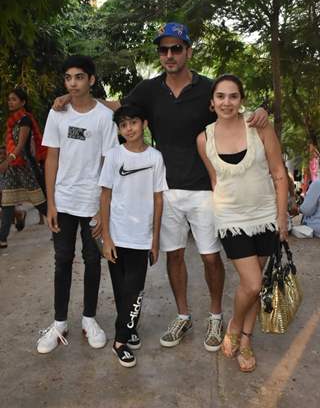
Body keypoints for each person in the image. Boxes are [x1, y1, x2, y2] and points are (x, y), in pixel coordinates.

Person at [54, 22, 268, 352]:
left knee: (211, 258)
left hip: (205, 190)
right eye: (163, 50)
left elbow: (234, 108)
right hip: (167, 189)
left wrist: (263, 112)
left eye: (176, 48)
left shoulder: (209, 89)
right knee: (175, 256)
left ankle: (214, 316)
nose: (169, 55)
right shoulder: (148, 90)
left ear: (188, 51)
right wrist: (70, 98)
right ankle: (183, 315)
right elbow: (116, 108)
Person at [197, 74, 288, 372]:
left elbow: (278, 172)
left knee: (256, 282)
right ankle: (235, 326)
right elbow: (215, 180)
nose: (227, 102)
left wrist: (282, 216)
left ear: (241, 100)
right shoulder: (204, 138)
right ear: (212, 103)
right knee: (252, 283)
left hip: (265, 216)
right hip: (231, 218)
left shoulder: (259, 127)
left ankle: (246, 339)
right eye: (221, 96)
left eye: (233, 96)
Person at [37, 55, 118, 354]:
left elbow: (108, 162)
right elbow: (52, 158)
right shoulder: (57, 113)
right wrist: (51, 203)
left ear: (91, 80)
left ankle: (89, 319)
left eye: (79, 77)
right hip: (65, 200)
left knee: (93, 260)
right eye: (68, 77)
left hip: (92, 202)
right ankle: (59, 323)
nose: (73, 83)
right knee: (62, 260)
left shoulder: (103, 117)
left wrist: (102, 207)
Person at [99, 104, 168, 367]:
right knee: (121, 291)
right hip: (117, 236)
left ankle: (119, 341)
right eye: (123, 125)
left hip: (141, 237)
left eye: (133, 123)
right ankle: (128, 329)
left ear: (144, 124)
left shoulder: (155, 158)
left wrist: (155, 238)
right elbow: (104, 196)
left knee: (135, 290)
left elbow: (158, 199)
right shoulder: (114, 156)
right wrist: (106, 237)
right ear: (119, 130)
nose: (129, 129)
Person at [0, 89, 47, 249]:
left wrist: (7, 161)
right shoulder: (11, 122)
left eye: (14, 99)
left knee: (40, 202)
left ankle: (59, 228)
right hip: (12, 168)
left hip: (25, 167)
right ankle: (2, 238)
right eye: (9, 99)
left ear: (23, 102)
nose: (10, 102)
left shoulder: (25, 120)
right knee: (7, 202)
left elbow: (20, 145)